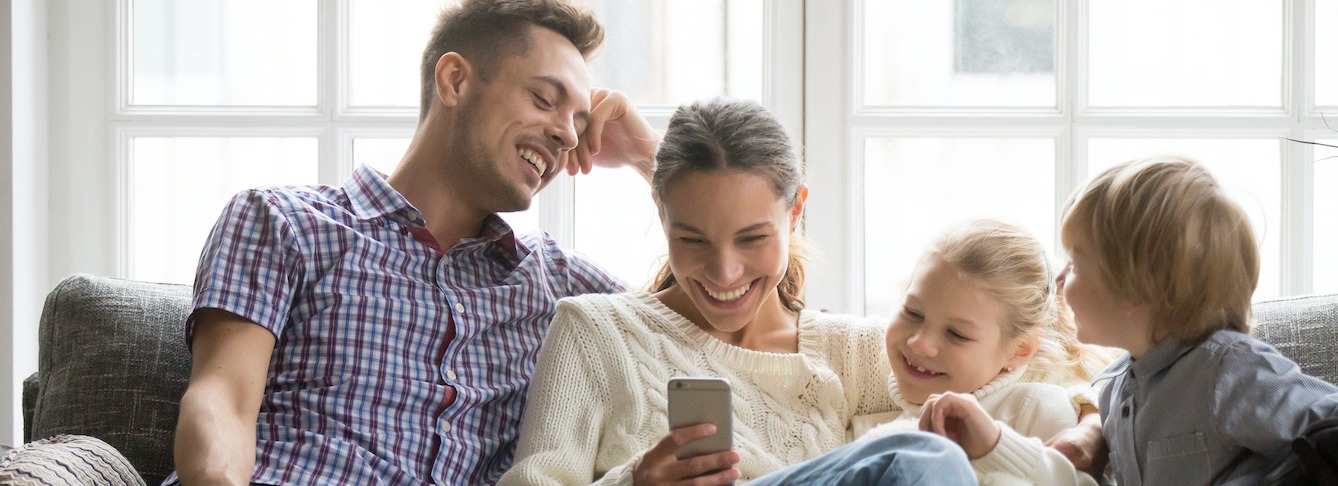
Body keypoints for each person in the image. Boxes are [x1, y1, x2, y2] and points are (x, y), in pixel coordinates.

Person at [168, 0, 660, 484]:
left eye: (578, 123)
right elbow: (222, 402)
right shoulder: (285, 222)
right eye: (544, 100)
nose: (567, 137)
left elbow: (719, 309)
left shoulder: (559, 286)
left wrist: (650, 159)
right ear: (455, 81)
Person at [501, 97, 978, 485]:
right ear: (660, 214)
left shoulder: (857, 353)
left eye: (753, 239)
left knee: (931, 459)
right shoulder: (596, 333)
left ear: (795, 213)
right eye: (692, 240)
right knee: (925, 457)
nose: (725, 273)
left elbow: (1004, 392)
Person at [1055, 156, 1338, 485]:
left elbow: (1336, 420)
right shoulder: (1115, 386)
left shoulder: (1227, 370)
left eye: (1074, 263)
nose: (1059, 279)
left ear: (1136, 287)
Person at [849, 219, 1112, 485]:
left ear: (1019, 350)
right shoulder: (871, 425)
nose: (920, 343)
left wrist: (996, 448)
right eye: (912, 312)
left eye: (956, 334)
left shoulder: (1037, 407)